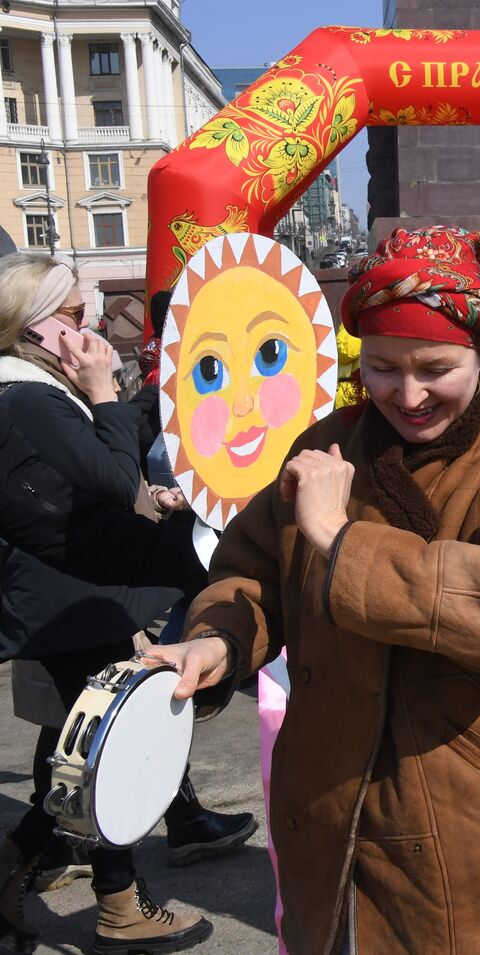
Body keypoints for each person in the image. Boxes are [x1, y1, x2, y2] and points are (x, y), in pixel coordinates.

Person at [146, 226, 480, 954]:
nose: (409, 394)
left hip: (467, 818)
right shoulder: (325, 445)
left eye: (435, 367)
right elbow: (254, 572)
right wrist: (214, 641)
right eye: (385, 368)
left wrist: (342, 538)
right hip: (327, 803)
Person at [0, 253, 216, 954]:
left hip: (70, 594)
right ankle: (117, 902)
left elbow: (82, 487)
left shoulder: (26, 387)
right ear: (34, 325)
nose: (87, 324)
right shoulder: (27, 393)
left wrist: (149, 496)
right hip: (70, 598)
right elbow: (113, 471)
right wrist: (104, 391)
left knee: (86, 754)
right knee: (105, 754)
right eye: (72, 314)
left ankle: (21, 868)